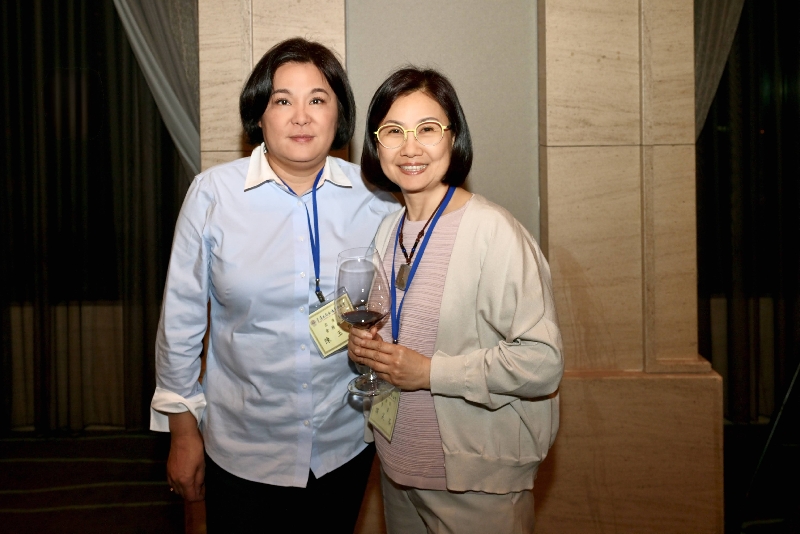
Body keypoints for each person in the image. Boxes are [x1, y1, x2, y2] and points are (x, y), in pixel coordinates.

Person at [149, 38, 398, 533]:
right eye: (283, 100)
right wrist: (182, 430)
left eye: (317, 99)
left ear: (339, 115)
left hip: (344, 442)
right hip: (243, 450)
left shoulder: (376, 199)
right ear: (259, 115)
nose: (301, 116)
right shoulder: (213, 196)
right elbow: (180, 322)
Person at [348, 67, 564, 534]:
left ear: (453, 137)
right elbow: (399, 328)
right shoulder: (389, 230)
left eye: (427, 129)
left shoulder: (493, 232)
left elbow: (543, 362)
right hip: (398, 471)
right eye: (393, 131)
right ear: (375, 144)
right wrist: (369, 349)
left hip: (476, 486)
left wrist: (429, 372)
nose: (410, 148)